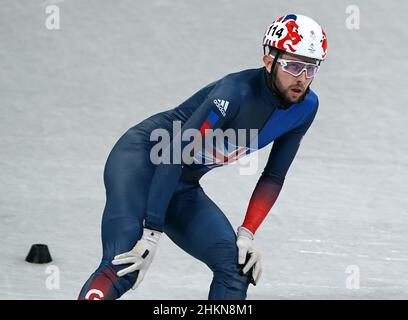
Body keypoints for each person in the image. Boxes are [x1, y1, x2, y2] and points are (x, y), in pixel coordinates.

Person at [78, 13, 328, 300]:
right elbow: (174, 153)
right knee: (123, 265)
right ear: (269, 60)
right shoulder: (234, 94)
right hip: (141, 161)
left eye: (311, 68)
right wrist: (151, 232)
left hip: (179, 181)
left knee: (236, 269)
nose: (302, 78)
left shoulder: (305, 108)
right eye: (293, 65)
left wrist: (247, 232)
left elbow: (274, 176)